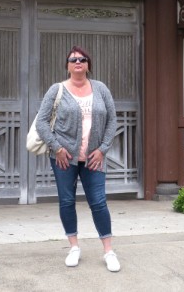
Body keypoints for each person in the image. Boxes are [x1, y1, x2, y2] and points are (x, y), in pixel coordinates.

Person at [34, 45, 121, 272]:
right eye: (73, 60)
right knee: (66, 201)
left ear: (88, 64)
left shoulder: (101, 88)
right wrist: (56, 148)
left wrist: (103, 149)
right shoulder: (57, 90)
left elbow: (112, 120)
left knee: (98, 202)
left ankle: (108, 251)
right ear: (68, 66)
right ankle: (74, 247)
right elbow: (42, 121)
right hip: (64, 158)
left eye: (82, 59)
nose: (78, 62)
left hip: (94, 157)